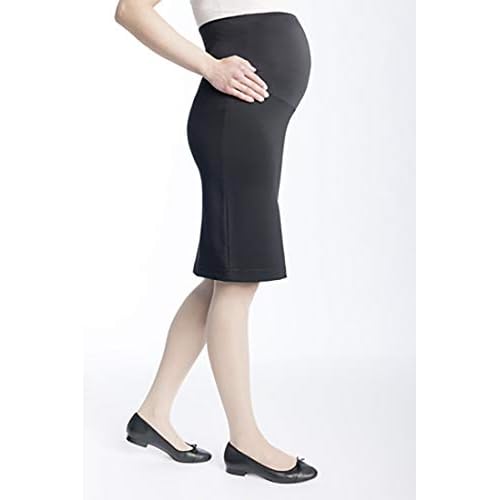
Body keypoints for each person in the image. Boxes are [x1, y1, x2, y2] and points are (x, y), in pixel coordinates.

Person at [114, 0, 316, 483]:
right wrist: (210, 66)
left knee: (223, 277)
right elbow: (131, 10)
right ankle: (245, 441)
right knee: (238, 280)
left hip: (254, 121)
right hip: (235, 119)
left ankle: (153, 413)